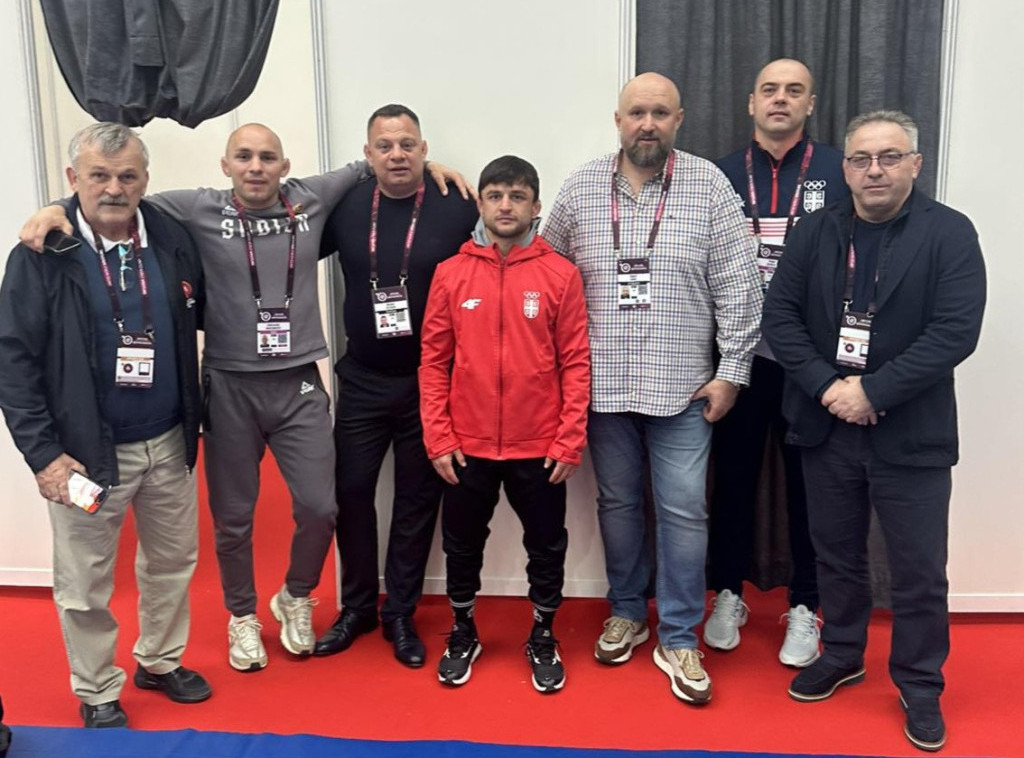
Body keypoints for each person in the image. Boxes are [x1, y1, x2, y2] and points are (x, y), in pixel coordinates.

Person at [17, 123, 466, 674]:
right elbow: (117, 198)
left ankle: (295, 596)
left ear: (285, 166)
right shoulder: (193, 208)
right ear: (225, 165)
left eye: (268, 157)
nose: (256, 166)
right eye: (244, 157)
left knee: (321, 507)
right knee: (233, 518)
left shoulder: (311, 197)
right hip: (229, 383)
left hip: (299, 381)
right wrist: (55, 209)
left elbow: (370, 163)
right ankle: (243, 616)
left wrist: (432, 167)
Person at [762, 110, 986, 751]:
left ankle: (920, 684)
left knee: (919, 570)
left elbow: (955, 331)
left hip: (911, 432)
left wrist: (872, 392)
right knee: (835, 555)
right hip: (827, 424)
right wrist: (830, 388)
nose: (875, 170)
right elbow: (779, 318)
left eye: (889, 157)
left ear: (916, 163)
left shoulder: (950, 232)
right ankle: (841, 654)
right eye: (860, 159)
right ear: (846, 169)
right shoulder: (815, 231)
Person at [544, 73, 763, 704]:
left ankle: (679, 635)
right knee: (617, 506)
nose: (647, 123)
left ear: (678, 120)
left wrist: (732, 372)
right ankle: (626, 611)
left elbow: (740, 286)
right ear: (618, 120)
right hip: (602, 388)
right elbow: (547, 273)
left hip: (684, 389)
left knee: (685, 510)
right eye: (637, 112)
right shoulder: (581, 188)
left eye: (660, 113)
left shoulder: (709, 186)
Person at [0, 123, 209, 727]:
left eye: (127, 176)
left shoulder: (169, 235)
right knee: (85, 580)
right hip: (85, 454)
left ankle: (160, 661)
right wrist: (44, 456)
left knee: (172, 562)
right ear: (74, 179)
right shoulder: (42, 253)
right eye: (99, 175)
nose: (114, 188)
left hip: (168, 439)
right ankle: (97, 689)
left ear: (145, 180)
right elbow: (13, 361)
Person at [312, 105, 478, 667]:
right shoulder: (345, 206)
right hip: (361, 379)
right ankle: (357, 607)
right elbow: (285, 232)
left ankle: (400, 613)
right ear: (368, 155)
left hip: (430, 384)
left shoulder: (457, 204)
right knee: (351, 493)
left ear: (424, 149)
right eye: (384, 146)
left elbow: (506, 240)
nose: (397, 155)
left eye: (407, 144)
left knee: (416, 500)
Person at [419, 155, 590, 692]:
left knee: (547, 545)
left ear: (536, 206)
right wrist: (438, 436)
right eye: (495, 195)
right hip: (466, 446)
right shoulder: (451, 273)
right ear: (482, 204)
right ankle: (463, 630)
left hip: (539, 446)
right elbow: (433, 362)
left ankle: (542, 634)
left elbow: (576, 362)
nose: (506, 206)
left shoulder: (560, 274)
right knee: (461, 544)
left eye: (517, 196)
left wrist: (569, 439)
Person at [705, 58, 847, 666]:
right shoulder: (718, 174)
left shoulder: (841, 169)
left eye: (794, 91)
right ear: (751, 103)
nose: (780, 99)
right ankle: (727, 593)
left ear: (811, 103)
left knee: (808, 488)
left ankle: (806, 604)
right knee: (732, 481)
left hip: (810, 361)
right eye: (769, 89)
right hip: (739, 356)